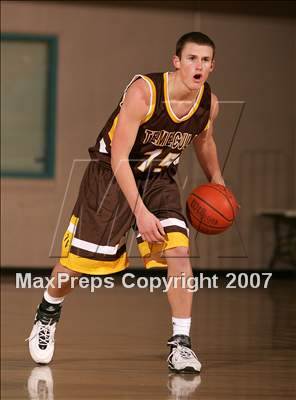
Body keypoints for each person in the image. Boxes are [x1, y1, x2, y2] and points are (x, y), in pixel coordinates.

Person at [27, 31, 225, 373]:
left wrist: (217, 182)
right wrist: (140, 212)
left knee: (179, 252)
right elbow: (120, 157)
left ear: (212, 66)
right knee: (78, 265)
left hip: (159, 178)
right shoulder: (144, 92)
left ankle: (181, 344)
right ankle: (48, 310)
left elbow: (204, 140)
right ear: (176, 62)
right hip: (111, 177)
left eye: (206, 60)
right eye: (192, 58)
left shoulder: (209, 103)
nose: (199, 66)